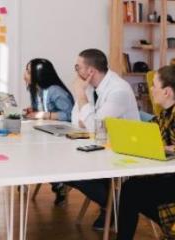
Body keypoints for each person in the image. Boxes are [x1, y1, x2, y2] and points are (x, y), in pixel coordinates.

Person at [67, 49, 140, 230]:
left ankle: (115, 206)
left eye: (78, 67)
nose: (75, 72)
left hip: (123, 150)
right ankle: (110, 205)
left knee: (76, 173)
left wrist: (81, 97)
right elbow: (75, 119)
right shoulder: (90, 86)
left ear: (90, 71)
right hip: (102, 145)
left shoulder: (118, 90)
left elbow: (95, 126)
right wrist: (89, 116)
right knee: (68, 171)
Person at [117, 65, 175, 240]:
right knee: (133, 189)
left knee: (131, 190)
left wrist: (166, 148)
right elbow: (151, 131)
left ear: (167, 92)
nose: (151, 89)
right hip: (169, 175)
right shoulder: (165, 114)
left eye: (154, 86)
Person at [23, 58, 75, 206]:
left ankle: (59, 185)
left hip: (61, 138)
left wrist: (44, 115)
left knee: (37, 153)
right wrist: (34, 111)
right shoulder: (36, 89)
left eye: (28, 70)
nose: (25, 73)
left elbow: (70, 115)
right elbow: (42, 109)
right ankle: (56, 184)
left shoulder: (55, 91)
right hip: (45, 133)